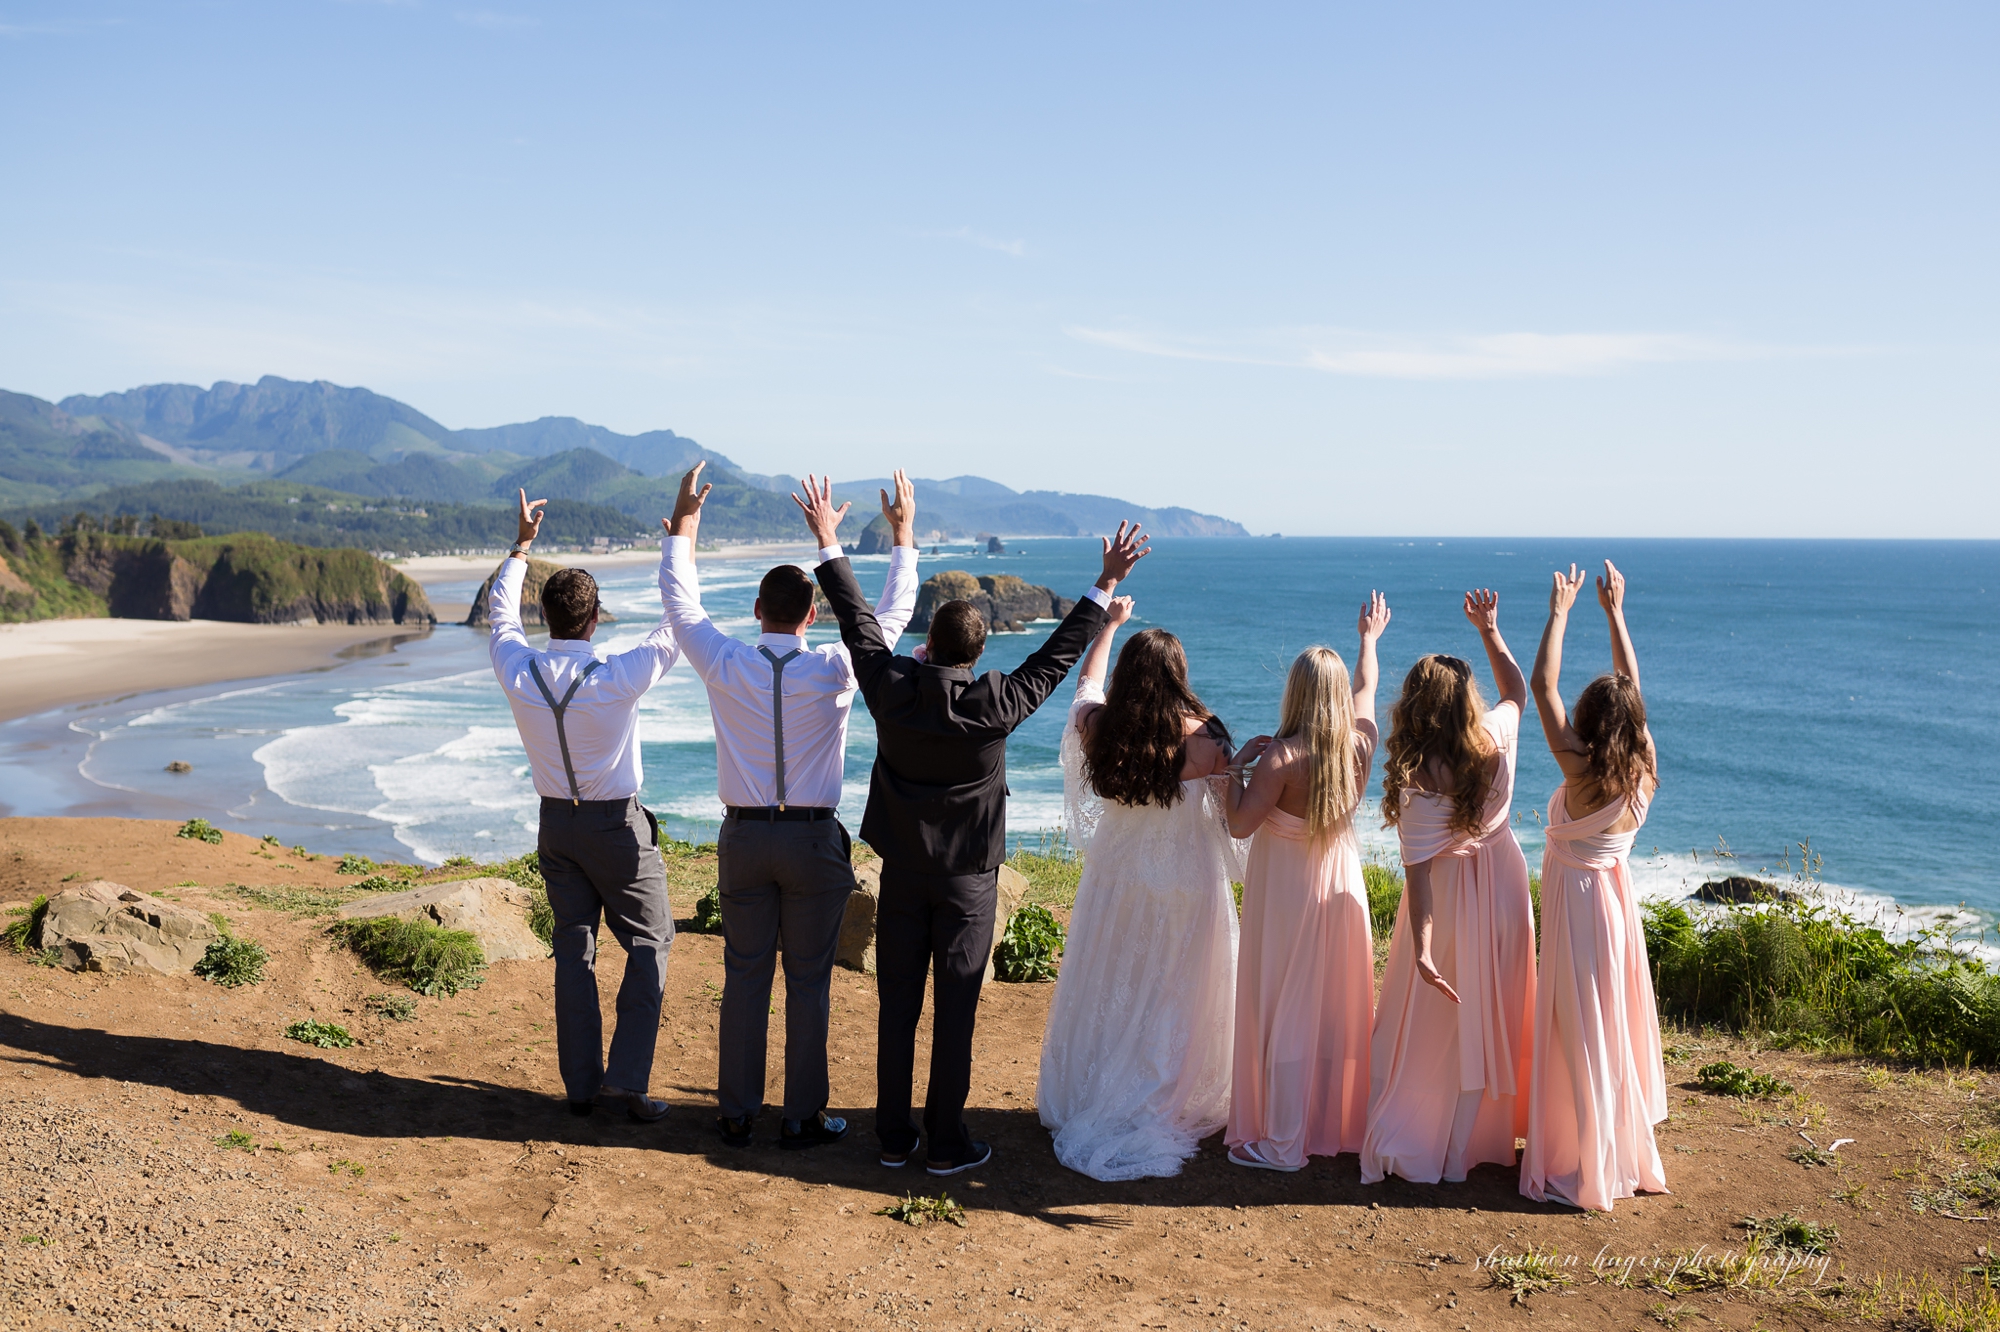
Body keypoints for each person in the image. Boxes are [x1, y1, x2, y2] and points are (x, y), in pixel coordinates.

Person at [810, 491, 1145, 1177]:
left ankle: (895, 1138)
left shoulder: (893, 686)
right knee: (954, 1014)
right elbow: (1057, 658)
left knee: (897, 1008)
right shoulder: (997, 702)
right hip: (968, 883)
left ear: (927, 645)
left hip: (902, 874)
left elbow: (855, 623)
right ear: (980, 651)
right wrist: (1105, 581)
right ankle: (947, 1142)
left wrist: (827, 541)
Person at [661, 463, 921, 1150]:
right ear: (813, 615)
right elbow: (888, 620)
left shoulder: (724, 661)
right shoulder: (837, 666)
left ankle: (737, 1112)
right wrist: (902, 537)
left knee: (744, 976)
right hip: (812, 842)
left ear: (756, 611)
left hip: (745, 839)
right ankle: (801, 1116)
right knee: (808, 982)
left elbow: (679, 604)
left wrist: (683, 525)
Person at [488, 488, 682, 1122]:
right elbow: (676, 627)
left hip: (555, 825)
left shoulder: (519, 670)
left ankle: (581, 1088)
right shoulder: (613, 675)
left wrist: (521, 545)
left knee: (574, 949)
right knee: (651, 940)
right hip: (614, 827)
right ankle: (626, 1081)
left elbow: (499, 617)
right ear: (595, 618)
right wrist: (679, 542)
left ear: (546, 619)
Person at [1036, 611, 1243, 1180]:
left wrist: (1107, 627)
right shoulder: (1208, 737)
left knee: (1114, 982)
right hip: (1185, 881)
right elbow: (1235, 821)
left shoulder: (1101, 726)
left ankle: (1097, 1090)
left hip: (1118, 878)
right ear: (1179, 674)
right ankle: (1162, 1090)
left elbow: (1086, 685)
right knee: (1174, 990)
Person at [1360, 589, 1537, 1186]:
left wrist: (1423, 950)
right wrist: (1491, 630)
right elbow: (1517, 692)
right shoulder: (1496, 739)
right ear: (1466, 704)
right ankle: (1482, 1137)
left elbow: (1417, 872)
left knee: (1439, 1022)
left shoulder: (1413, 777)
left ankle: (1431, 1136)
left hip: (1446, 899)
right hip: (1505, 887)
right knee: (1495, 1004)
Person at [1220, 593, 1390, 1171]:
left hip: (1287, 888)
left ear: (1294, 692)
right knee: (1326, 1004)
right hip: (1338, 878)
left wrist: (1230, 772)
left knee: (1284, 1004)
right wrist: (1369, 637)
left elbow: (1241, 826)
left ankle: (1285, 1139)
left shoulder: (1281, 759)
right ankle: (1329, 1122)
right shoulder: (1359, 747)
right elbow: (1367, 687)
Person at [1521, 560, 1668, 1211]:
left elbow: (1542, 685)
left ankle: (1586, 1157)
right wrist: (1616, 612)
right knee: (1608, 1026)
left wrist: (1562, 611)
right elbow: (1630, 686)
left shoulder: (1579, 770)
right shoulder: (1643, 768)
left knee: (1576, 1027)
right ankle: (1608, 1145)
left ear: (1590, 717)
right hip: (1615, 903)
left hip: (1579, 908)